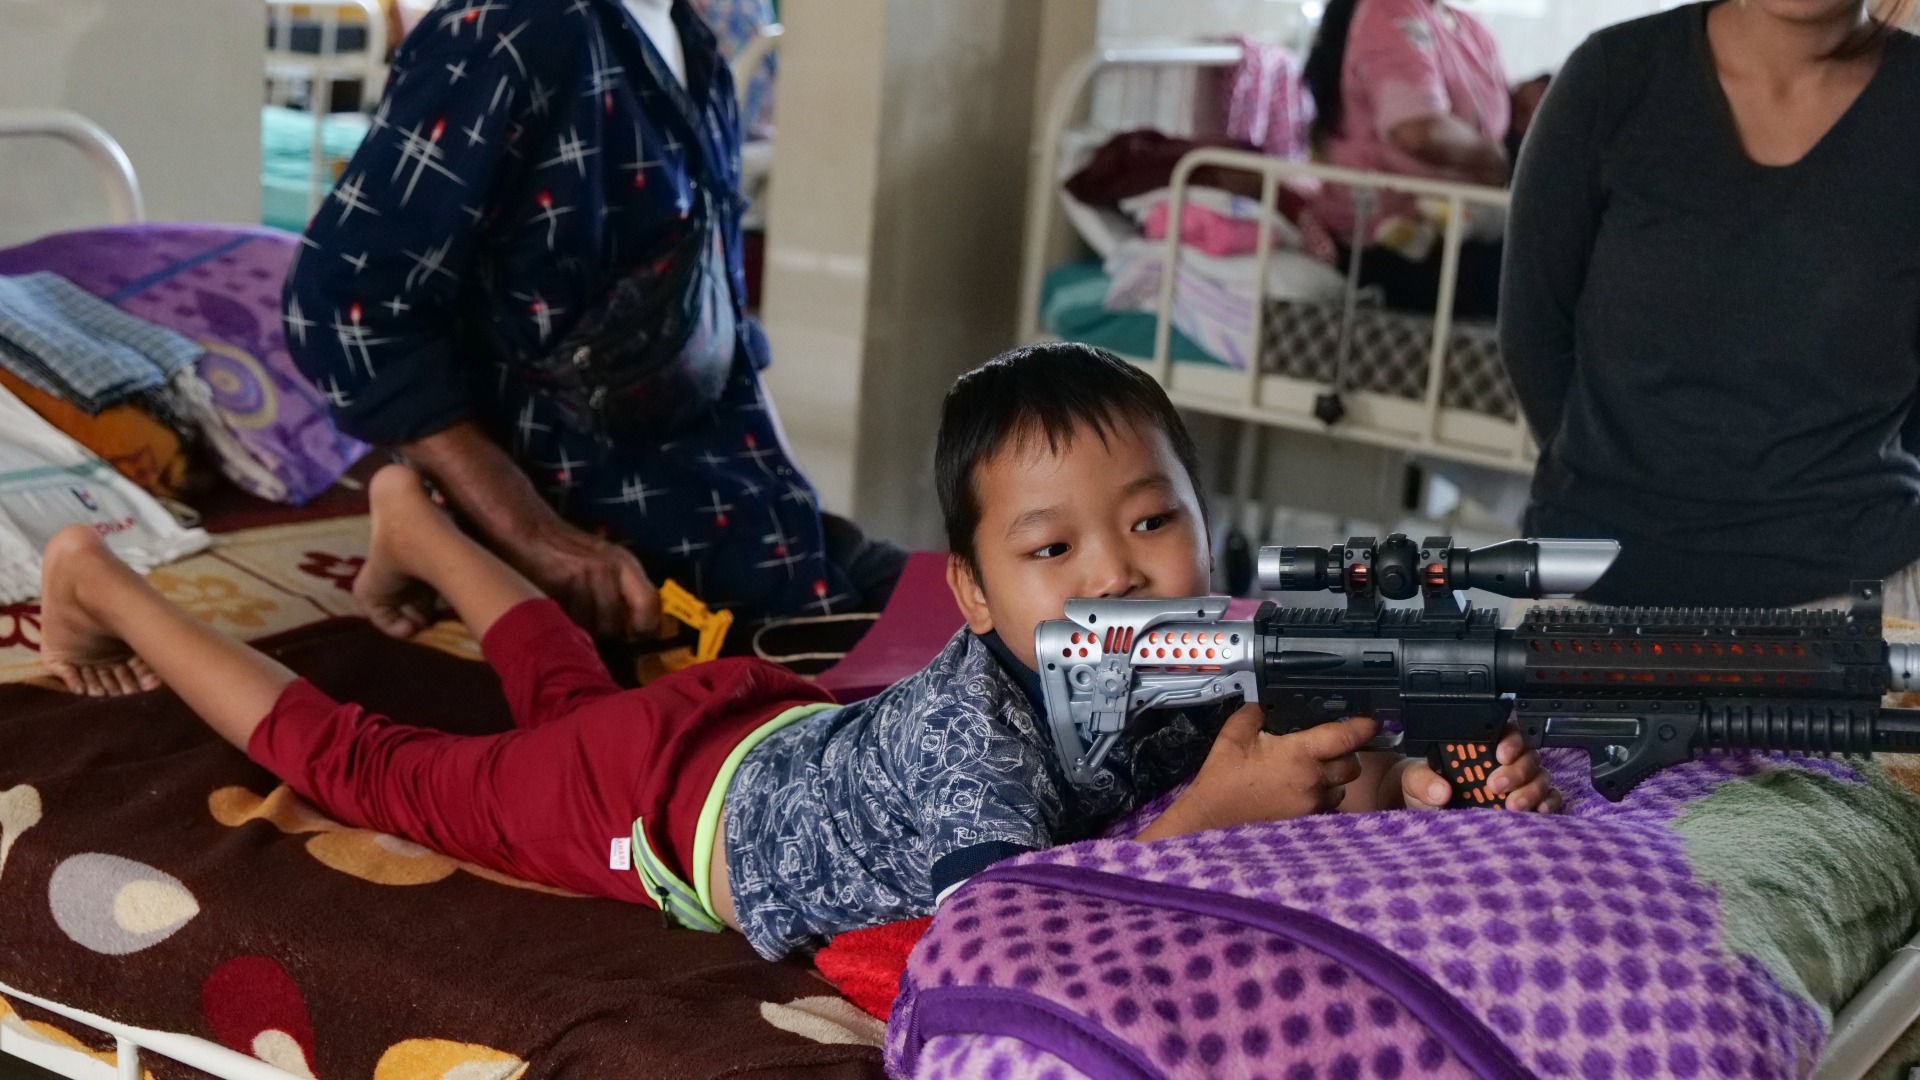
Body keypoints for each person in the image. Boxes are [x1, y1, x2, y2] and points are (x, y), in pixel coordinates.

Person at [34, 344, 1560, 960]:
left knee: (570, 693)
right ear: (969, 597)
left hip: (769, 724)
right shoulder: (979, 754)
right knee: (382, 770)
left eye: (1154, 524)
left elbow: (1334, 758)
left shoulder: (1183, 657)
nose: (1115, 574)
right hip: (665, 809)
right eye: (1052, 552)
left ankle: (416, 527)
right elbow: (1011, 933)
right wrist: (1213, 817)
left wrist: (1443, 780)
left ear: (1212, 534)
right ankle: (105, 578)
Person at [283, 0, 901, 640]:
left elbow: (716, 329)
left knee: (947, 603)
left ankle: (417, 528)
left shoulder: (693, 47)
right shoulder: (517, 30)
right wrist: (535, 534)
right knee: (946, 671)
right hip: (632, 554)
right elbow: (342, 306)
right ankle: (424, 532)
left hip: (754, 513)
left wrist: (791, 493)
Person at [1503, 0, 1920, 611]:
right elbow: (1533, 330)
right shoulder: (1614, 75)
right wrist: (1623, 482)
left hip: (1854, 595)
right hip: (1594, 584)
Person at [1302, 0, 1512, 317]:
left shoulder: (1470, 29)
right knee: (1542, 273)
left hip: (1461, 230)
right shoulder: (1390, 12)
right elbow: (1414, 130)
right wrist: (1495, 159)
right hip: (1388, 244)